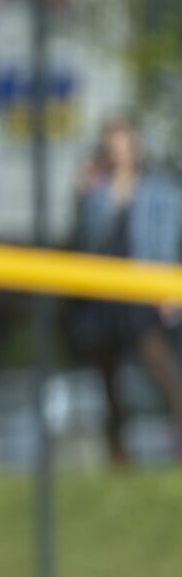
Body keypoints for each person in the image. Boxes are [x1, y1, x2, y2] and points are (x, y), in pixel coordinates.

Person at [71, 115, 182, 466]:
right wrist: (82, 194)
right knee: (108, 377)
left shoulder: (160, 188)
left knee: (158, 364)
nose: (118, 151)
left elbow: (169, 240)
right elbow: (85, 240)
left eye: (123, 143)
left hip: (141, 287)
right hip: (105, 291)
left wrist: (168, 288)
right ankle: (119, 454)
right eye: (111, 144)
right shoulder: (98, 192)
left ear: (135, 146)